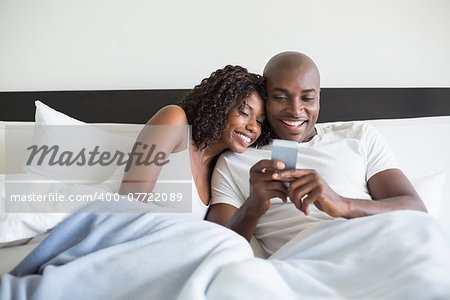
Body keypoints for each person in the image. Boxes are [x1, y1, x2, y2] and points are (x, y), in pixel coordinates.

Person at [206, 51, 427, 255]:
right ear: (265, 98)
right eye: (281, 97)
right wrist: (252, 207)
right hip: (303, 266)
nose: (295, 110)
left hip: (376, 250)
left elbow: (416, 210)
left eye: (307, 98)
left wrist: (343, 204)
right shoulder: (235, 160)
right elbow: (215, 250)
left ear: (319, 97)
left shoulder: (359, 136)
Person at [119, 65, 269, 219]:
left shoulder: (222, 170)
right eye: (244, 113)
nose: (253, 127)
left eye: (260, 122)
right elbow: (129, 205)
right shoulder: (174, 120)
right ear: (222, 105)